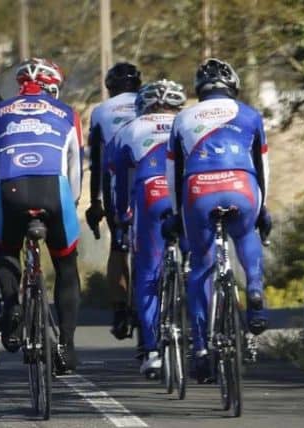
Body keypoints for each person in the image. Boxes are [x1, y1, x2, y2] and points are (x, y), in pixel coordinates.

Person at [164, 58, 273, 383]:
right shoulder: (250, 114)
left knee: (201, 266)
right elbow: (264, 166)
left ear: (200, 90)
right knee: (245, 234)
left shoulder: (183, 118)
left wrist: (175, 213)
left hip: (200, 190)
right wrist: (262, 207)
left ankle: (200, 348)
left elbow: (174, 174)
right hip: (242, 185)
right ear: (233, 87)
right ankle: (254, 291)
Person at [0, 58, 83, 374]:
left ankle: (12, 307)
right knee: (66, 265)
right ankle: (66, 345)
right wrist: (73, 201)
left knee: (6, 251)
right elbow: (75, 169)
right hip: (54, 191)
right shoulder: (68, 114)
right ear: (52, 86)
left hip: (10, 191)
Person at [109, 80, 187, 377]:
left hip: (150, 195)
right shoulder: (186, 122)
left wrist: (120, 218)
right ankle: (207, 343)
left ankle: (153, 350)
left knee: (147, 273)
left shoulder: (129, 129)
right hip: (185, 195)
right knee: (202, 265)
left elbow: (118, 182)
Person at [86, 62, 142, 340]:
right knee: (151, 245)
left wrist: (95, 201)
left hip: (114, 184)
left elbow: (95, 162)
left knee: (118, 250)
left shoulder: (100, 112)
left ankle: (120, 312)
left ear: (109, 89)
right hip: (151, 180)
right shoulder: (149, 102)